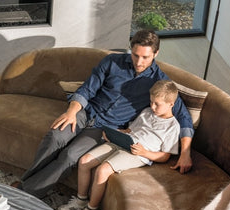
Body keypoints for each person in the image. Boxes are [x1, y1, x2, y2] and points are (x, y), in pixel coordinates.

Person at [16, 29, 194, 198]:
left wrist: (185, 153)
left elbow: (183, 116)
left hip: (106, 128)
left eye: (145, 57)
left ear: (156, 53)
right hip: (85, 113)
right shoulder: (112, 62)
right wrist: (72, 111)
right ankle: (25, 181)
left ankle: (26, 192)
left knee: (70, 155)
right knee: (55, 137)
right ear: (130, 49)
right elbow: (87, 89)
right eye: (135, 55)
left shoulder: (159, 82)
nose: (139, 62)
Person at [58, 80, 181, 210]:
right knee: (84, 161)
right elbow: (129, 130)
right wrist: (115, 133)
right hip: (123, 142)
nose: (152, 107)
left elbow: (165, 156)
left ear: (171, 104)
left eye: (157, 104)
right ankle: (81, 200)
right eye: (151, 102)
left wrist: (144, 152)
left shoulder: (173, 126)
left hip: (138, 154)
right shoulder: (146, 112)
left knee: (103, 170)